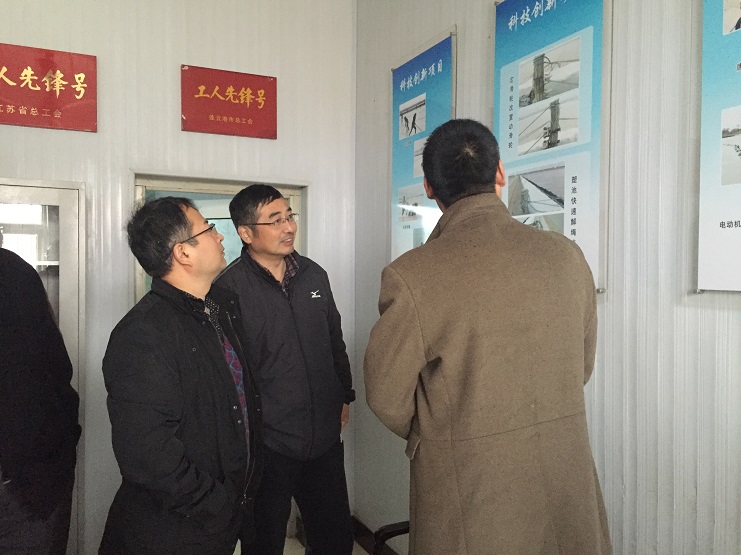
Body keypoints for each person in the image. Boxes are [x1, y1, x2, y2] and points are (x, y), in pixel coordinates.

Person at [364, 119, 611, 554]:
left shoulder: (412, 275)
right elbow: (582, 365)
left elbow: (385, 395)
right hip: (564, 471)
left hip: (471, 483)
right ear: (499, 173)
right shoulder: (565, 255)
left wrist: (444, 428)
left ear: (429, 187)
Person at [99, 198, 262, 555]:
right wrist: (218, 506)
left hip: (219, 523)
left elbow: (237, 404)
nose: (220, 236)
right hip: (172, 533)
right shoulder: (143, 334)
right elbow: (148, 455)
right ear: (183, 253)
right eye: (209, 229)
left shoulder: (219, 308)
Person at [216, 184, 354, 555]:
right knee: (264, 543)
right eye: (275, 220)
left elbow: (334, 341)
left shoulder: (314, 275)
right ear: (246, 233)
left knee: (334, 540)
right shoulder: (226, 290)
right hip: (268, 446)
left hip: (323, 438)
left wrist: (346, 394)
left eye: (289, 216)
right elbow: (226, 377)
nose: (288, 227)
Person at [0, 240, 81, 555]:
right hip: (27, 487)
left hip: (25, 489)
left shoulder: (12, 273)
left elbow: (48, 375)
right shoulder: (14, 271)